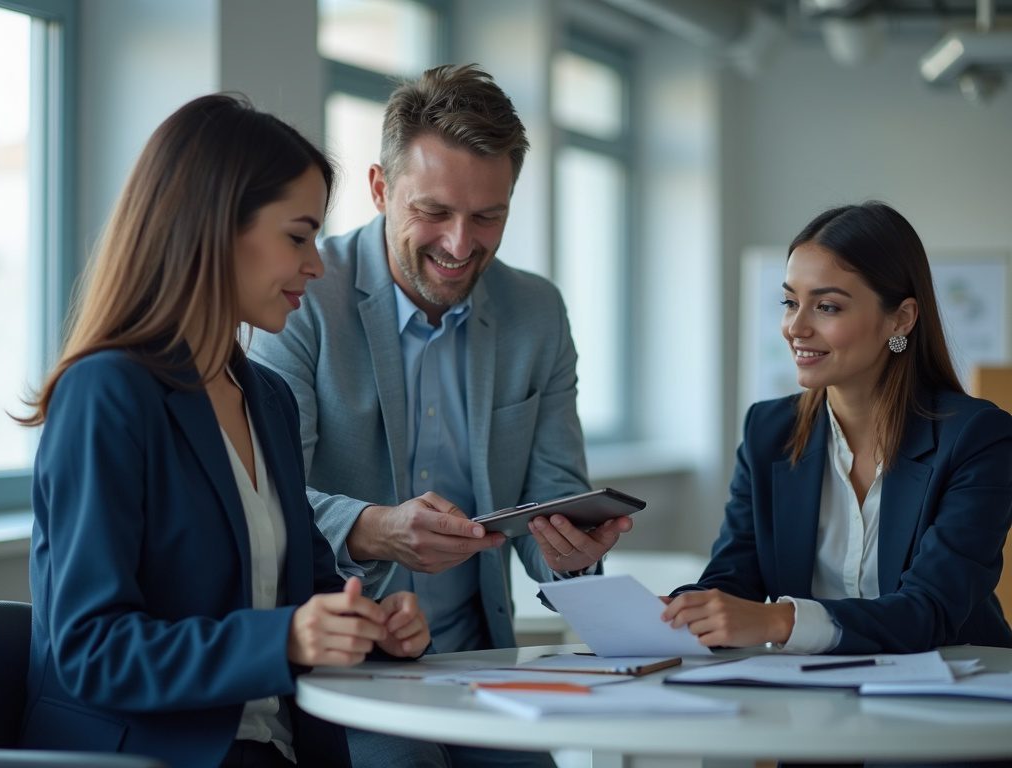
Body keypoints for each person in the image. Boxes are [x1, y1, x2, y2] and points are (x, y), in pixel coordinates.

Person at [16, 94, 430, 768]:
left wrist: (374, 627)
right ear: (213, 228)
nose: (316, 264)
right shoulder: (106, 394)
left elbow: (307, 594)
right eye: (297, 237)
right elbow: (90, 650)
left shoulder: (266, 397)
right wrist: (284, 640)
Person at [248, 64, 632, 767]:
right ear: (379, 189)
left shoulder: (537, 313)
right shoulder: (302, 298)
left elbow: (553, 495)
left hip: (483, 665)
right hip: (348, 667)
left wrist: (570, 558)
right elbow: (268, 501)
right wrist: (375, 529)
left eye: (488, 217)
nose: (460, 245)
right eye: (434, 212)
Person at [663, 201, 1012, 654]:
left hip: (957, 683)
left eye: (826, 306)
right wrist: (675, 612)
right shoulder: (768, 431)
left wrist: (780, 620)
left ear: (901, 318)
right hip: (813, 688)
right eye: (790, 302)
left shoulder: (978, 437)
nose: (795, 327)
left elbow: (930, 611)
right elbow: (732, 580)